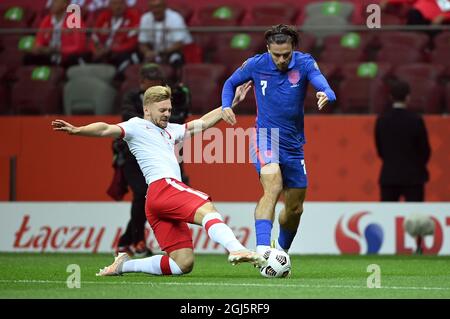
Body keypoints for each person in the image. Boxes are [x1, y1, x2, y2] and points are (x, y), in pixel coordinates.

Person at [52, 83, 266, 276]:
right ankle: (236, 248)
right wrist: (78, 130)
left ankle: (124, 265)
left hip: (156, 200)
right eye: (162, 110)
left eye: (169, 110)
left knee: (182, 264)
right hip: (164, 187)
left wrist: (231, 104)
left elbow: (202, 123)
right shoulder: (136, 126)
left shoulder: (171, 130)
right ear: (147, 109)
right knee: (207, 208)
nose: (167, 114)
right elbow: (106, 129)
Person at [221, 24, 336, 256]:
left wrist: (327, 94)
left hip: (293, 145)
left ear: (293, 48)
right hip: (265, 137)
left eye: (286, 54)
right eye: (276, 55)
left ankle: (280, 252)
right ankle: (263, 250)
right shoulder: (256, 64)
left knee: (295, 209)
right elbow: (230, 83)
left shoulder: (304, 63)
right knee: (273, 186)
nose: (281, 60)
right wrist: (226, 105)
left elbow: (324, 85)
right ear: (268, 49)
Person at [111, 63, 190, 257]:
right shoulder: (132, 98)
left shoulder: (169, 98)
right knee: (141, 193)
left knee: (156, 195)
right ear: (142, 82)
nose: (154, 87)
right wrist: (151, 121)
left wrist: (180, 98)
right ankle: (135, 240)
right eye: (150, 83)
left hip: (164, 153)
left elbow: (180, 117)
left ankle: (129, 240)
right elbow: (128, 118)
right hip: (133, 156)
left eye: (158, 83)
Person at [375, 80, 431, 202]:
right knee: (415, 217)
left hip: (389, 176)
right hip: (414, 177)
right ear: (408, 97)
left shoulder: (382, 120)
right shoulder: (416, 120)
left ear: (391, 97)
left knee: (387, 216)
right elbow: (425, 150)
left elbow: (380, 149)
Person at [25, 0, 88, 68]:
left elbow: (79, 47)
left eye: (55, 2)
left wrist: (58, 50)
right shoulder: (47, 20)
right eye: (52, 2)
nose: (52, 4)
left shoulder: (74, 20)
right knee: (28, 58)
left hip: (66, 57)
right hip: (49, 55)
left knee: (73, 58)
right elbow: (38, 42)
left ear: (64, 4)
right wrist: (40, 49)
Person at [138, 0, 192, 69]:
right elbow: (142, 43)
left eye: (158, 7)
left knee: (176, 59)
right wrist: (147, 52)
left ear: (165, 7)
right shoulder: (145, 18)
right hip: (155, 52)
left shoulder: (175, 17)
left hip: (176, 51)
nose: (155, 10)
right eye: (152, 7)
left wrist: (160, 53)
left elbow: (179, 44)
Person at [90, 0, 140, 71]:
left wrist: (112, 49)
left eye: (121, 3)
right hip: (104, 51)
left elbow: (132, 43)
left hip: (121, 52)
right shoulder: (104, 16)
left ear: (125, 4)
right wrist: (95, 50)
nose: (118, 6)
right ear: (109, 5)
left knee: (126, 57)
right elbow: (94, 37)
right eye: (115, 3)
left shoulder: (133, 16)